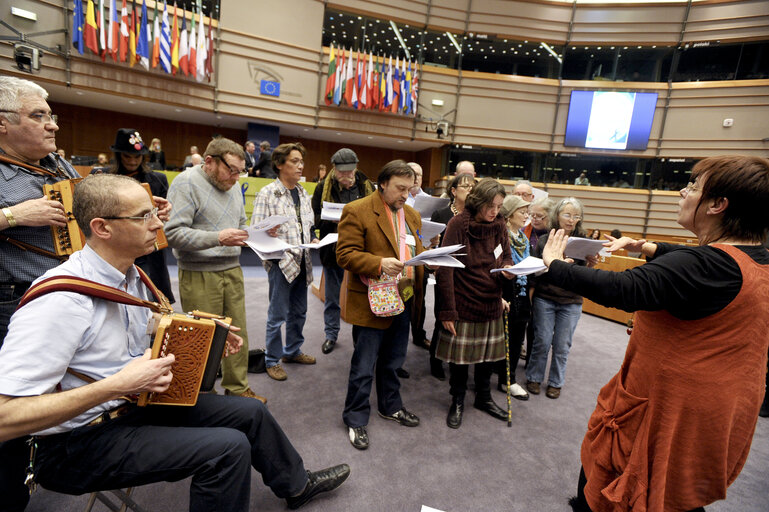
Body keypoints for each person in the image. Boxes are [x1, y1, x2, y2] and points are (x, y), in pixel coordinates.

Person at [0, 173, 351, 512]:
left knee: (252, 411)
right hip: (76, 443)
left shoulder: (129, 273)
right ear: (102, 228)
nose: (157, 224)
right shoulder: (60, 301)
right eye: (143, 216)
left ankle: (296, 487)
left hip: (132, 406)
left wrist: (197, 328)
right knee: (226, 449)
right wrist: (116, 386)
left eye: (155, 212)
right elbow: (5, 418)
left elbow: (134, 325)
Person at [537, 156, 769, 512]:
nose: (682, 191)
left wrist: (553, 263)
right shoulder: (755, 258)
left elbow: (622, 288)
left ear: (718, 205)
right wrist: (648, 247)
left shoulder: (704, 265)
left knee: (621, 485)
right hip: (715, 414)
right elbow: (697, 261)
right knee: (677, 492)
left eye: (693, 186)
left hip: (666, 408)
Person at [0, 75, 81, 512]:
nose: (52, 125)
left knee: (59, 394)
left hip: (60, 299)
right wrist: (13, 214)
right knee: (11, 411)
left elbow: (83, 205)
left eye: (51, 116)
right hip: (9, 307)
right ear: (3, 124)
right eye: (39, 116)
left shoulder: (56, 164)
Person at [165, 137, 264, 401]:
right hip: (198, 272)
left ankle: (238, 389)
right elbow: (172, 233)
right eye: (231, 170)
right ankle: (203, 396)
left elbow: (240, 223)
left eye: (239, 172)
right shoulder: (185, 183)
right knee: (204, 339)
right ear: (209, 161)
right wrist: (218, 237)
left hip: (232, 268)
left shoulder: (230, 184)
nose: (235, 177)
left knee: (237, 334)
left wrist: (258, 233)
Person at [336, 160, 424, 450]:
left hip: (404, 296)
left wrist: (429, 260)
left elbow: (415, 249)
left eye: (409, 189)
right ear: (383, 183)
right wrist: (378, 263)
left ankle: (391, 406)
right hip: (372, 300)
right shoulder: (358, 210)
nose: (405, 195)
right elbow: (345, 255)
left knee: (394, 361)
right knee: (364, 365)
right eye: (400, 188)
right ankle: (356, 418)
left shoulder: (411, 214)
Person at [435, 178, 514, 429]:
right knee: (460, 361)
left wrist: (509, 270)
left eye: (499, 206)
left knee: (486, 359)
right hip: (463, 300)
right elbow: (445, 269)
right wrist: (447, 310)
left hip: (490, 299)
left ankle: (483, 397)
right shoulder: (459, 224)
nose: (494, 212)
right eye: (490, 206)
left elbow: (506, 258)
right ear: (478, 201)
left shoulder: (500, 224)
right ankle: (457, 400)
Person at [252, 142, 318, 381]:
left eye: (301, 161)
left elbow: (306, 226)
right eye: (295, 161)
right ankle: (272, 359)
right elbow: (255, 233)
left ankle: (292, 351)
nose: (301, 166)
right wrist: (267, 232)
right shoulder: (267, 193)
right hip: (281, 262)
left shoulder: (302, 193)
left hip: (303, 259)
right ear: (280, 165)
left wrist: (313, 237)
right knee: (277, 314)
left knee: (300, 311)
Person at [526, 197, 596, 400]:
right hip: (545, 297)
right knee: (542, 340)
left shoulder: (583, 240)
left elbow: (584, 276)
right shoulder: (544, 240)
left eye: (576, 216)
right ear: (557, 215)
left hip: (571, 301)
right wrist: (554, 264)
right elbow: (535, 272)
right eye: (567, 214)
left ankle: (556, 382)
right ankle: (534, 377)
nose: (571, 219)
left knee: (562, 344)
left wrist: (590, 265)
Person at [311, 148, 375, 355]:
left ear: (356, 168)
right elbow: (316, 217)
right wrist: (332, 218)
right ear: (334, 169)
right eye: (342, 172)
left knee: (361, 295)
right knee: (332, 296)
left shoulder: (367, 186)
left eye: (350, 172)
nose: (346, 176)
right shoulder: (323, 188)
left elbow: (375, 215)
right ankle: (331, 334)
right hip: (333, 248)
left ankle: (361, 338)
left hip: (361, 249)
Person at [107, 128, 175, 302]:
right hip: (115, 247)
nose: (132, 161)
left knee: (153, 303)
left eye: (137, 157)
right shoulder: (102, 179)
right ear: (119, 156)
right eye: (127, 156)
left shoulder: (158, 180)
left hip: (149, 252)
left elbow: (164, 215)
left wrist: (163, 212)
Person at [428, 172, 476, 380]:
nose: (470, 190)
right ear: (454, 191)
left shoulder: (476, 215)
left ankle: (457, 357)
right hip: (446, 271)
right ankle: (435, 360)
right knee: (443, 316)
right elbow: (435, 244)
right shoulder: (442, 213)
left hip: (468, 274)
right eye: (466, 186)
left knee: (462, 318)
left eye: (473, 186)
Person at [495, 194, 531, 401]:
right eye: (522, 211)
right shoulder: (501, 237)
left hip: (522, 293)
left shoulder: (523, 238)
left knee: (517, 338)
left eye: (527, 211)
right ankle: (503, 377)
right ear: (509, 215)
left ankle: (508, 379)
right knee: (501, 338)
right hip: (504, 292)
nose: (526, 215)